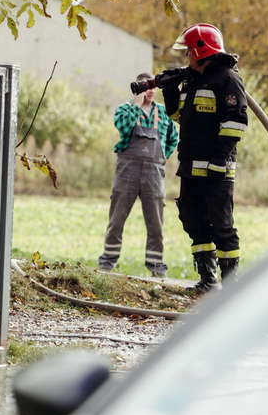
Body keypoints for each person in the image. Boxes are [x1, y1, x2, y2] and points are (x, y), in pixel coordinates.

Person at [155, 23, 246, 292]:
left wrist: (219, 160)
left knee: (222, 226)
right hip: (191, 167)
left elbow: (236, 122)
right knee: (193, 219)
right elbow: (180, 118)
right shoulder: (193, 82)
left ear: (200, 50)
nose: (186, 57)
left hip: (217, 169)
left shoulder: (228, 79)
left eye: (189, 52)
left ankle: (230, 287)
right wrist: (170, 90)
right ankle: (208, 280)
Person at [98, 73, 178, 276]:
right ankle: (107, 261)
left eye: (151, 88)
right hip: (128, 170)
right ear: (137, 90)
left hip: (154, 173)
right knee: (116, 219)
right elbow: (123, 127)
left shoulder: (163, 113)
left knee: (155, 222)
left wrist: (161, 158)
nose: (149, 91)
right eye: (144, 88)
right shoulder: (125, 109)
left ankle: (156, 266)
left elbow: (173, 139)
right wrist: (136, 105)